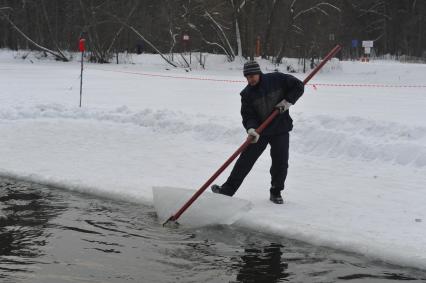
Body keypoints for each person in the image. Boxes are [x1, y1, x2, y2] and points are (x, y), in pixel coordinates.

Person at [211, 61, 304, 204]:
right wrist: (251, 129)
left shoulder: (277, 79)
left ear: (259, 73)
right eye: (247, 77)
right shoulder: (247, 94)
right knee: (245, 161)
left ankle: (276, 191)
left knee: (280, 162)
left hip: (280, 129)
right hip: (261, 131)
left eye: (253, 76)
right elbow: (248, 116)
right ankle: (227, 191)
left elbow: (299, 86)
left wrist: (288, 101)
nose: (251, 80)